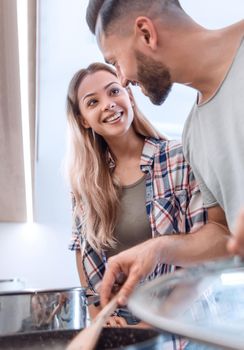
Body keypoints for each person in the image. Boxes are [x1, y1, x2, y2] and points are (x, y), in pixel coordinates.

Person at [85, 0, 244, 306]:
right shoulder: (193, 133)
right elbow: (222, 233)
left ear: (146, 33)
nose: (122, 79)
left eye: (116, 61)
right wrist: (156, 249)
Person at [66, 62, 228, 329]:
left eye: (114, 91)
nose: (107, 104)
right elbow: (82, 251)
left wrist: (149, 327)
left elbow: (204, 252)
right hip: (124, 328)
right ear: (83, 119)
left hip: (183, 327)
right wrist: (101, 316)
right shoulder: (84, 185)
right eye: (92, 102)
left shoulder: (179, 158)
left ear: (129, 96)